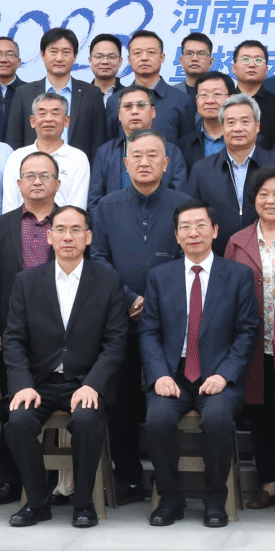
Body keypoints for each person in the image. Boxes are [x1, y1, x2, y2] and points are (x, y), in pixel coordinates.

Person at [2, 205, 131, 528]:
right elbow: (14, 340)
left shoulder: (108, 280)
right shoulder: (27, 281)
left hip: (86, 380)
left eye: (76, 230)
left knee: (87, 420)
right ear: (49, 236)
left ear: (88, 237)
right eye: (60, 230)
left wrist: (93, 384)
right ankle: (37, 502)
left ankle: (84, 504)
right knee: (17, 422)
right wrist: (22, 385)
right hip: (40, 382)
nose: (68, 237)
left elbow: (115, 342)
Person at [139, 201, 258, 527]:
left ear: (215, 231)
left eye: (201, 225)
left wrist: (225, 374)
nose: (194, 233)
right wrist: (159, 374)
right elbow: (148, 331)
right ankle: (170, 499)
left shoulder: (238, 275)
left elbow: (247, 332)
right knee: (157, 420)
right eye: (186, 227)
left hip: (217, 374)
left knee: (218, 420)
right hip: (172, 373)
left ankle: (215, 500)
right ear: (177, 235)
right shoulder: (160, 276)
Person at [90, 130, 193, 503]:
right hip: (120, 318)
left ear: (166, 164)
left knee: (165, 397)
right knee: (121, 401)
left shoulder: (184, 206)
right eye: (137, 155)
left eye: (153, 155)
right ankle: (128, 477)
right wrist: (129, 297)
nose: (144, 162)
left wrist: (155, 302)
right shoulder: (106, 207)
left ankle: (168, 479)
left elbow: (189, 256)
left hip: (171, 322)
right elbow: (98, 257)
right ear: (125, 163)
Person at [0, 149, 66, 504]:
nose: (37, 181)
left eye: (45, 175)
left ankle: (58, 481)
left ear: (57, 183)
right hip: (12, 333)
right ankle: (10, 480)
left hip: (61, 334)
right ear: (18, 183)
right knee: (14, 402)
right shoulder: (2, 225)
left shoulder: (71, 222)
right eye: (30, 175)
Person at [224, 166, 275, 511]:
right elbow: (226, 293)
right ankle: (268, 483)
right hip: (253, 343)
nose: (270, 200)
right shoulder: (237, 241)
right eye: (263, 194)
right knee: (260, 413)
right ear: (253, 199)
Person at [185, 93, 275, 253]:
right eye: (231, 122)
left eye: (245, 121)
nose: (238, 128)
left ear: (257, 126)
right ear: (222, 128)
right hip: (217, 257)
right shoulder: (201, 170)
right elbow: (191, 218)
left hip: (270, 256)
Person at [7, 27, 109, 154]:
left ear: (75, 56)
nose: (59, 58)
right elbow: (14, 141)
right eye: (53, 52)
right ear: (42, 55)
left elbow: (99, 143)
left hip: (78, 165)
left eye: (66, 52)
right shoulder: (24, 93)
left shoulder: (92, 94)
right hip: (34, 165)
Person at [90, 84, 191, 208]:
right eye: (127, 106)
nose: (134, 111)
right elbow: (95, 202)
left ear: (153, 112)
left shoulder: (172, 152)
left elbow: (179, 201)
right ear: (119, 114)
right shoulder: (104, 152)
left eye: (141, 105)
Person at [2, 92, 92, 207]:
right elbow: (10, 205)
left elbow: (77, 205)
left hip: (65, 219)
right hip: (22, 219)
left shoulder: (78, 158)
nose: (48, 119)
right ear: (32, 121)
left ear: (66, 120)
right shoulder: (17, 157)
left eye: (55, 113)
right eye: (42, 114)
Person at [122, 30, 192, 149]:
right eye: (137, 53)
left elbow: (187, 148)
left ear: (162, 57)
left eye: (151, 52)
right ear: (129, 59)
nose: (144, 58)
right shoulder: (116, 100)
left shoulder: (182, 100)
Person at [231, 39, 275, 149]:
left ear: (266, 70)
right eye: (245, 59)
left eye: (258, 60)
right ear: (234, 68)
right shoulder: (224, 102)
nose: (252, 64)